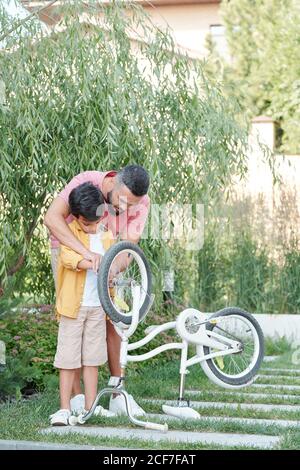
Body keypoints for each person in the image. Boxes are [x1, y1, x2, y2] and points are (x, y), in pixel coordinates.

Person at [44, 165, 150, 416]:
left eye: (132, 205)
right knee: (73, 317)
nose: (126, 209)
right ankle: (76, 398)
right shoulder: (85, 181)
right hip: (70, 251)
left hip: (107, 255)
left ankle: (116, 392)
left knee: (112, 321)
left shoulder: (142, 203)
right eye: (123, 201)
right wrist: (86, 255)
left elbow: (127, 248)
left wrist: (113, 270)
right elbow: (52, 218)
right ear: (112, 184)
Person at [50, 182, 116, 425]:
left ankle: (90, 406)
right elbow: (68, 258)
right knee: (68, 359)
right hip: (73, 308)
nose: (92, 227)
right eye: (87, 224)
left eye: (96, 222)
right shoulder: (69, 234)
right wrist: (93, 263)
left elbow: (115, 260)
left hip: (98, 308)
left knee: (92, 358)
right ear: (76, 218)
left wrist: (112, 271)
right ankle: (64, 409)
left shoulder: (106, 233)